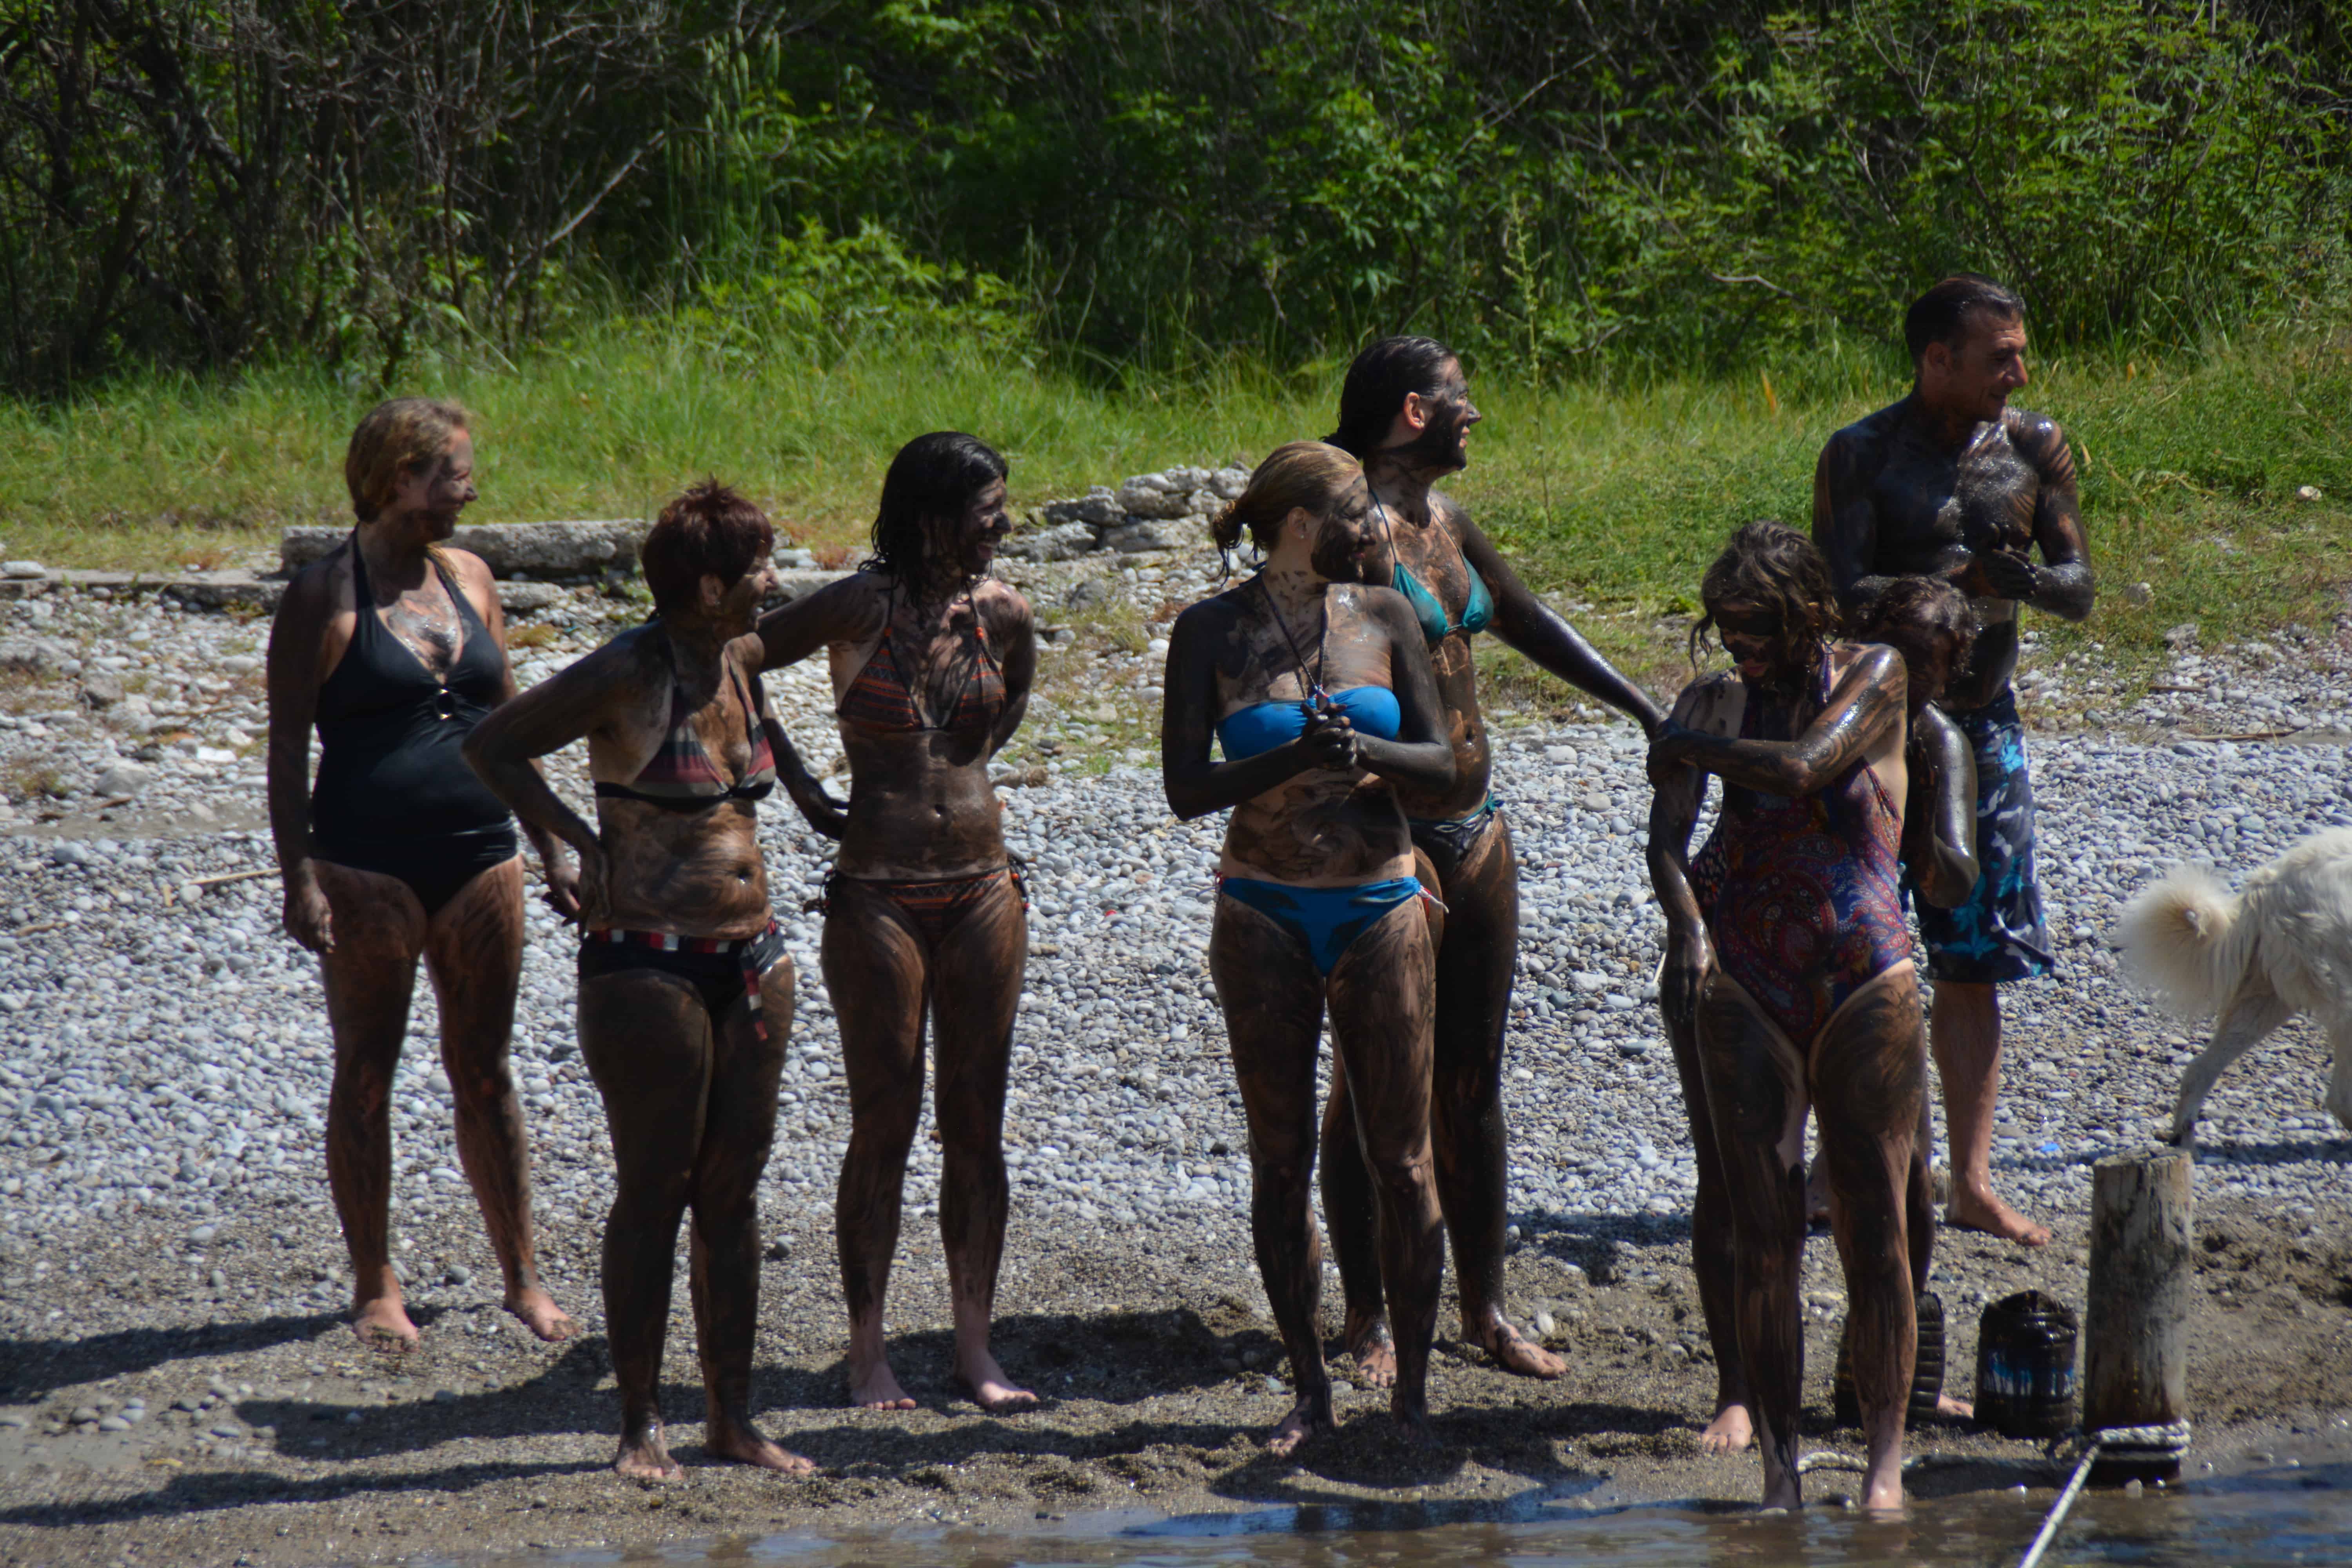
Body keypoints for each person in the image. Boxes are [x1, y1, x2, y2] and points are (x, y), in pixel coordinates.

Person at [1317, 337, 1665, 1384]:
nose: (1478, 418)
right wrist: (1371, 832)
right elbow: (1321, 686)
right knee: (1368, 1085)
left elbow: (1524, 618)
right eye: (1464, 401)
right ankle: (1370, 1315)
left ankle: (1485, 1306)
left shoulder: (1444, 520)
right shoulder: (1349, 529)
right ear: (1415, 411)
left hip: (1479, 826)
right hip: (1387, 836)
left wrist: (1643, 709)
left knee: (1473, 1084)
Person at [466, 481, 826, 1479]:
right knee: (654, 1189)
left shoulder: (741, 656)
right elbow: (492, 743)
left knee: (734, 1192)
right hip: (646, 962)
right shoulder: (628, 669)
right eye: (759, 566)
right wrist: (574, 845)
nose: (774, 582)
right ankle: (638, 1424)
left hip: (751, 956)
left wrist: (814, 798)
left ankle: (734, 1420)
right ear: (710, 583)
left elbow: (805, 658)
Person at [1162, 440, 1456, 1455]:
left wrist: (1363, 750)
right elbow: (1184, 788)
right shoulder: (1211, 630)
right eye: (1352, 511)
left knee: (1405, 1162)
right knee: (1279, 1164)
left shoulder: (1384, 616)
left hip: (1378, 905)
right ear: (1297, 523)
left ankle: (1412, 1390)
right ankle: (1310, 1388)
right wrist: (1296, 752)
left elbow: (1447, 764)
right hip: (1263, 913)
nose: (1372, 527)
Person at [265, 397, 575, 1354]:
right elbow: (284, 750)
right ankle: (374, 1280)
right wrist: (299, 877)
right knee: (367, 1072)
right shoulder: (325, 596)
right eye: (451, 472)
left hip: (482, 855)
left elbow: (510, 723)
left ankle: (521, 1274)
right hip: (366, 867)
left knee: (485, 1070)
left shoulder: (472, 576)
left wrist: (555, 844)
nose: (468, 487)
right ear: (397, 476)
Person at [753, 432, 1040, 1415]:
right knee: (885, 1120)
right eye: (988, 506)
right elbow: (737, 659)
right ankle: (868, 1349)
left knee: (978, 1123)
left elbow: (1007, 710)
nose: (1003, 523)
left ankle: (974, 1347)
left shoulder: (1001, 612)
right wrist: (795, 781)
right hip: (876, 889)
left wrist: (963, 775)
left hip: (983, 887)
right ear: (930, 515)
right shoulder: (857, 605)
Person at [1813, 274, 2094, 1248]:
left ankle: (1971, 1179)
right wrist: (1951, 579)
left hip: (1987, 721)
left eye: (2020, 352)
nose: (2017, 372)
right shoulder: (1862, 455)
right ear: (1938, 359)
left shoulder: (2030, 447)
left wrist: (2027, 582)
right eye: (1998, 356)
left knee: (1974, 957)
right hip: (1883, 729)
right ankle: (1835, 1165)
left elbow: (2080, 585)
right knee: (1859, 946)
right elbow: (1841, 597)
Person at [1646, 521, 1922, 1510]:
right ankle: (1780, 1472)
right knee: (1764, 1232)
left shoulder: (1877, 671)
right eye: (1726, 631)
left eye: (1758, 629)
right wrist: (1687, 927)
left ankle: (1886, 1469)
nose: (1740, 651)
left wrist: (1693, 743)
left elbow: (1808, 765)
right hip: (1746, 978)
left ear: (1809, 612)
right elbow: (1667, 838)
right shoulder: (1714, 697)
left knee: (1874, 1224)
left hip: (1864, 970)